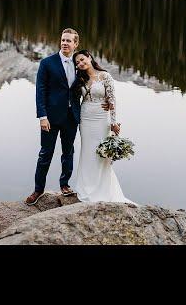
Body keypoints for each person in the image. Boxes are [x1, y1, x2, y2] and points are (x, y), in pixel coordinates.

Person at [25, 28, 111, 205]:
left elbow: (94, 83)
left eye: (69, 41)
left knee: (68, 151)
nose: (65, 43)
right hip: (50, 117)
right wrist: (42, 116)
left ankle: (64, 184)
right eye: (63, 40)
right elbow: (40, 91)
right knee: (45, 153)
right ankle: (38, 190)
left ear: (75, 44)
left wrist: (106, 103)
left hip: (72, 117)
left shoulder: (80, 65)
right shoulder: (47, 63)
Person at [71, 49, 135, 204]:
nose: (80, 63)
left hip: (101, 119)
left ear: (89, 57)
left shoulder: (105, 76)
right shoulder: (80, 79)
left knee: (101, 152)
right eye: (77, 62)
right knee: (87, 152)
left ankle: (102, 190)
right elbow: (73, 98)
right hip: (85, 118)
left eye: (82, 59)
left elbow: (112, 100)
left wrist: (113, 123)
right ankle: (86, 188)